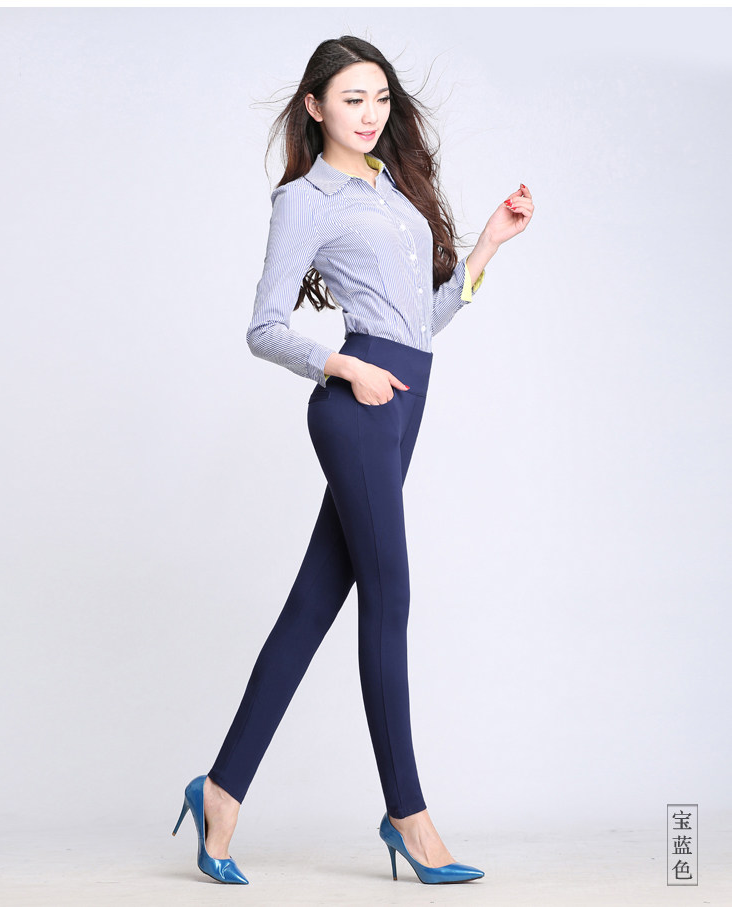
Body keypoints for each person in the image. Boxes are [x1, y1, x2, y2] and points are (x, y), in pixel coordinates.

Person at [172, 34, 534, 886]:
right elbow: (265, 328)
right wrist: (342, 365)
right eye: (351, 99)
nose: (370, 115)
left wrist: (486, 247)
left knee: (311, 607)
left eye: (380, 98)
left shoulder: (390, 187)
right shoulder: (304, 200)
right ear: (315, 106)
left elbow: (419, 325)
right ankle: (407, 814)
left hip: (404, 400)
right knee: (390, 596)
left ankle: (219, 790)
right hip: (358, 407)